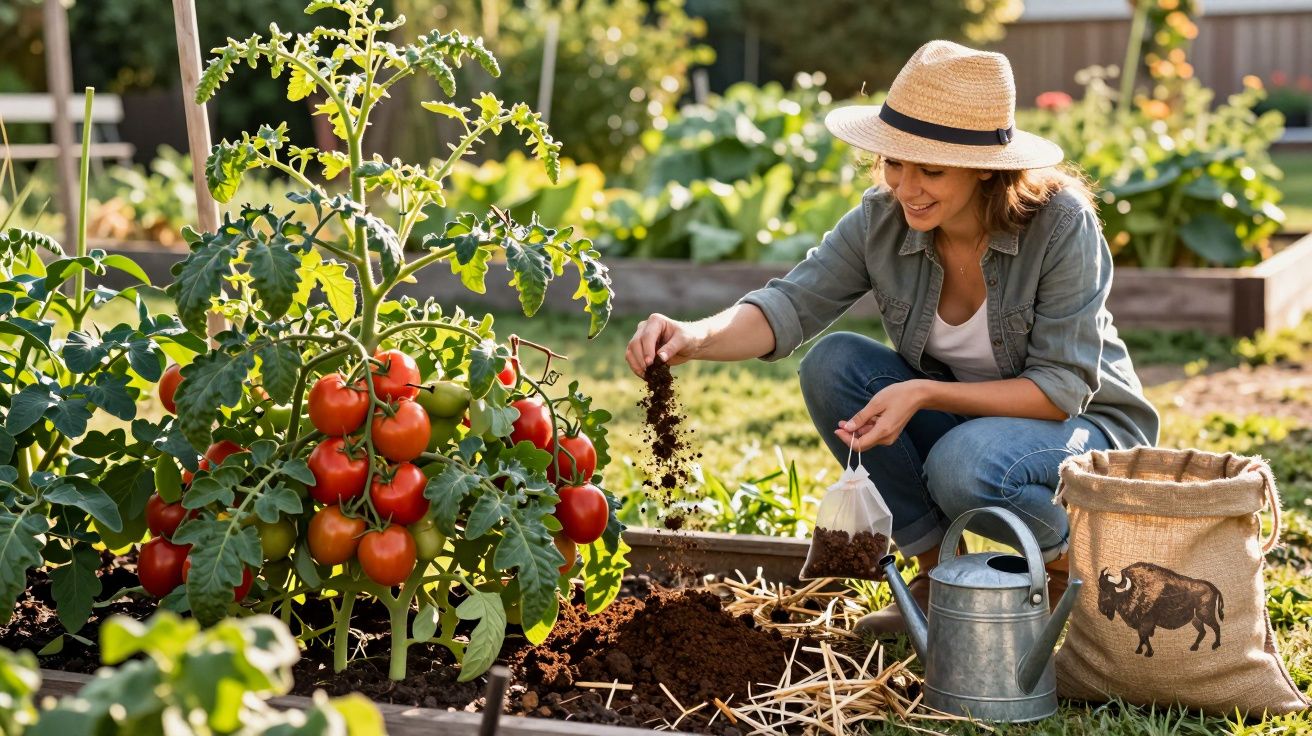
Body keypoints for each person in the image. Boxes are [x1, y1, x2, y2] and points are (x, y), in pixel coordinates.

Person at [623, 40, 1160, 634]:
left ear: (987, 164)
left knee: (965, 461)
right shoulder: (883, 219)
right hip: (972, 425)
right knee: (833, 364)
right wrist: (692, 337)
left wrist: (925, 395)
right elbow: (787, 305)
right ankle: (933, 579)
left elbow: (1060, 389)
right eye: (893, 163)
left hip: (1082, 431)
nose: (906, 187)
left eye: (930, 169)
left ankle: (1065, 570)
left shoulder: (1061, 225)